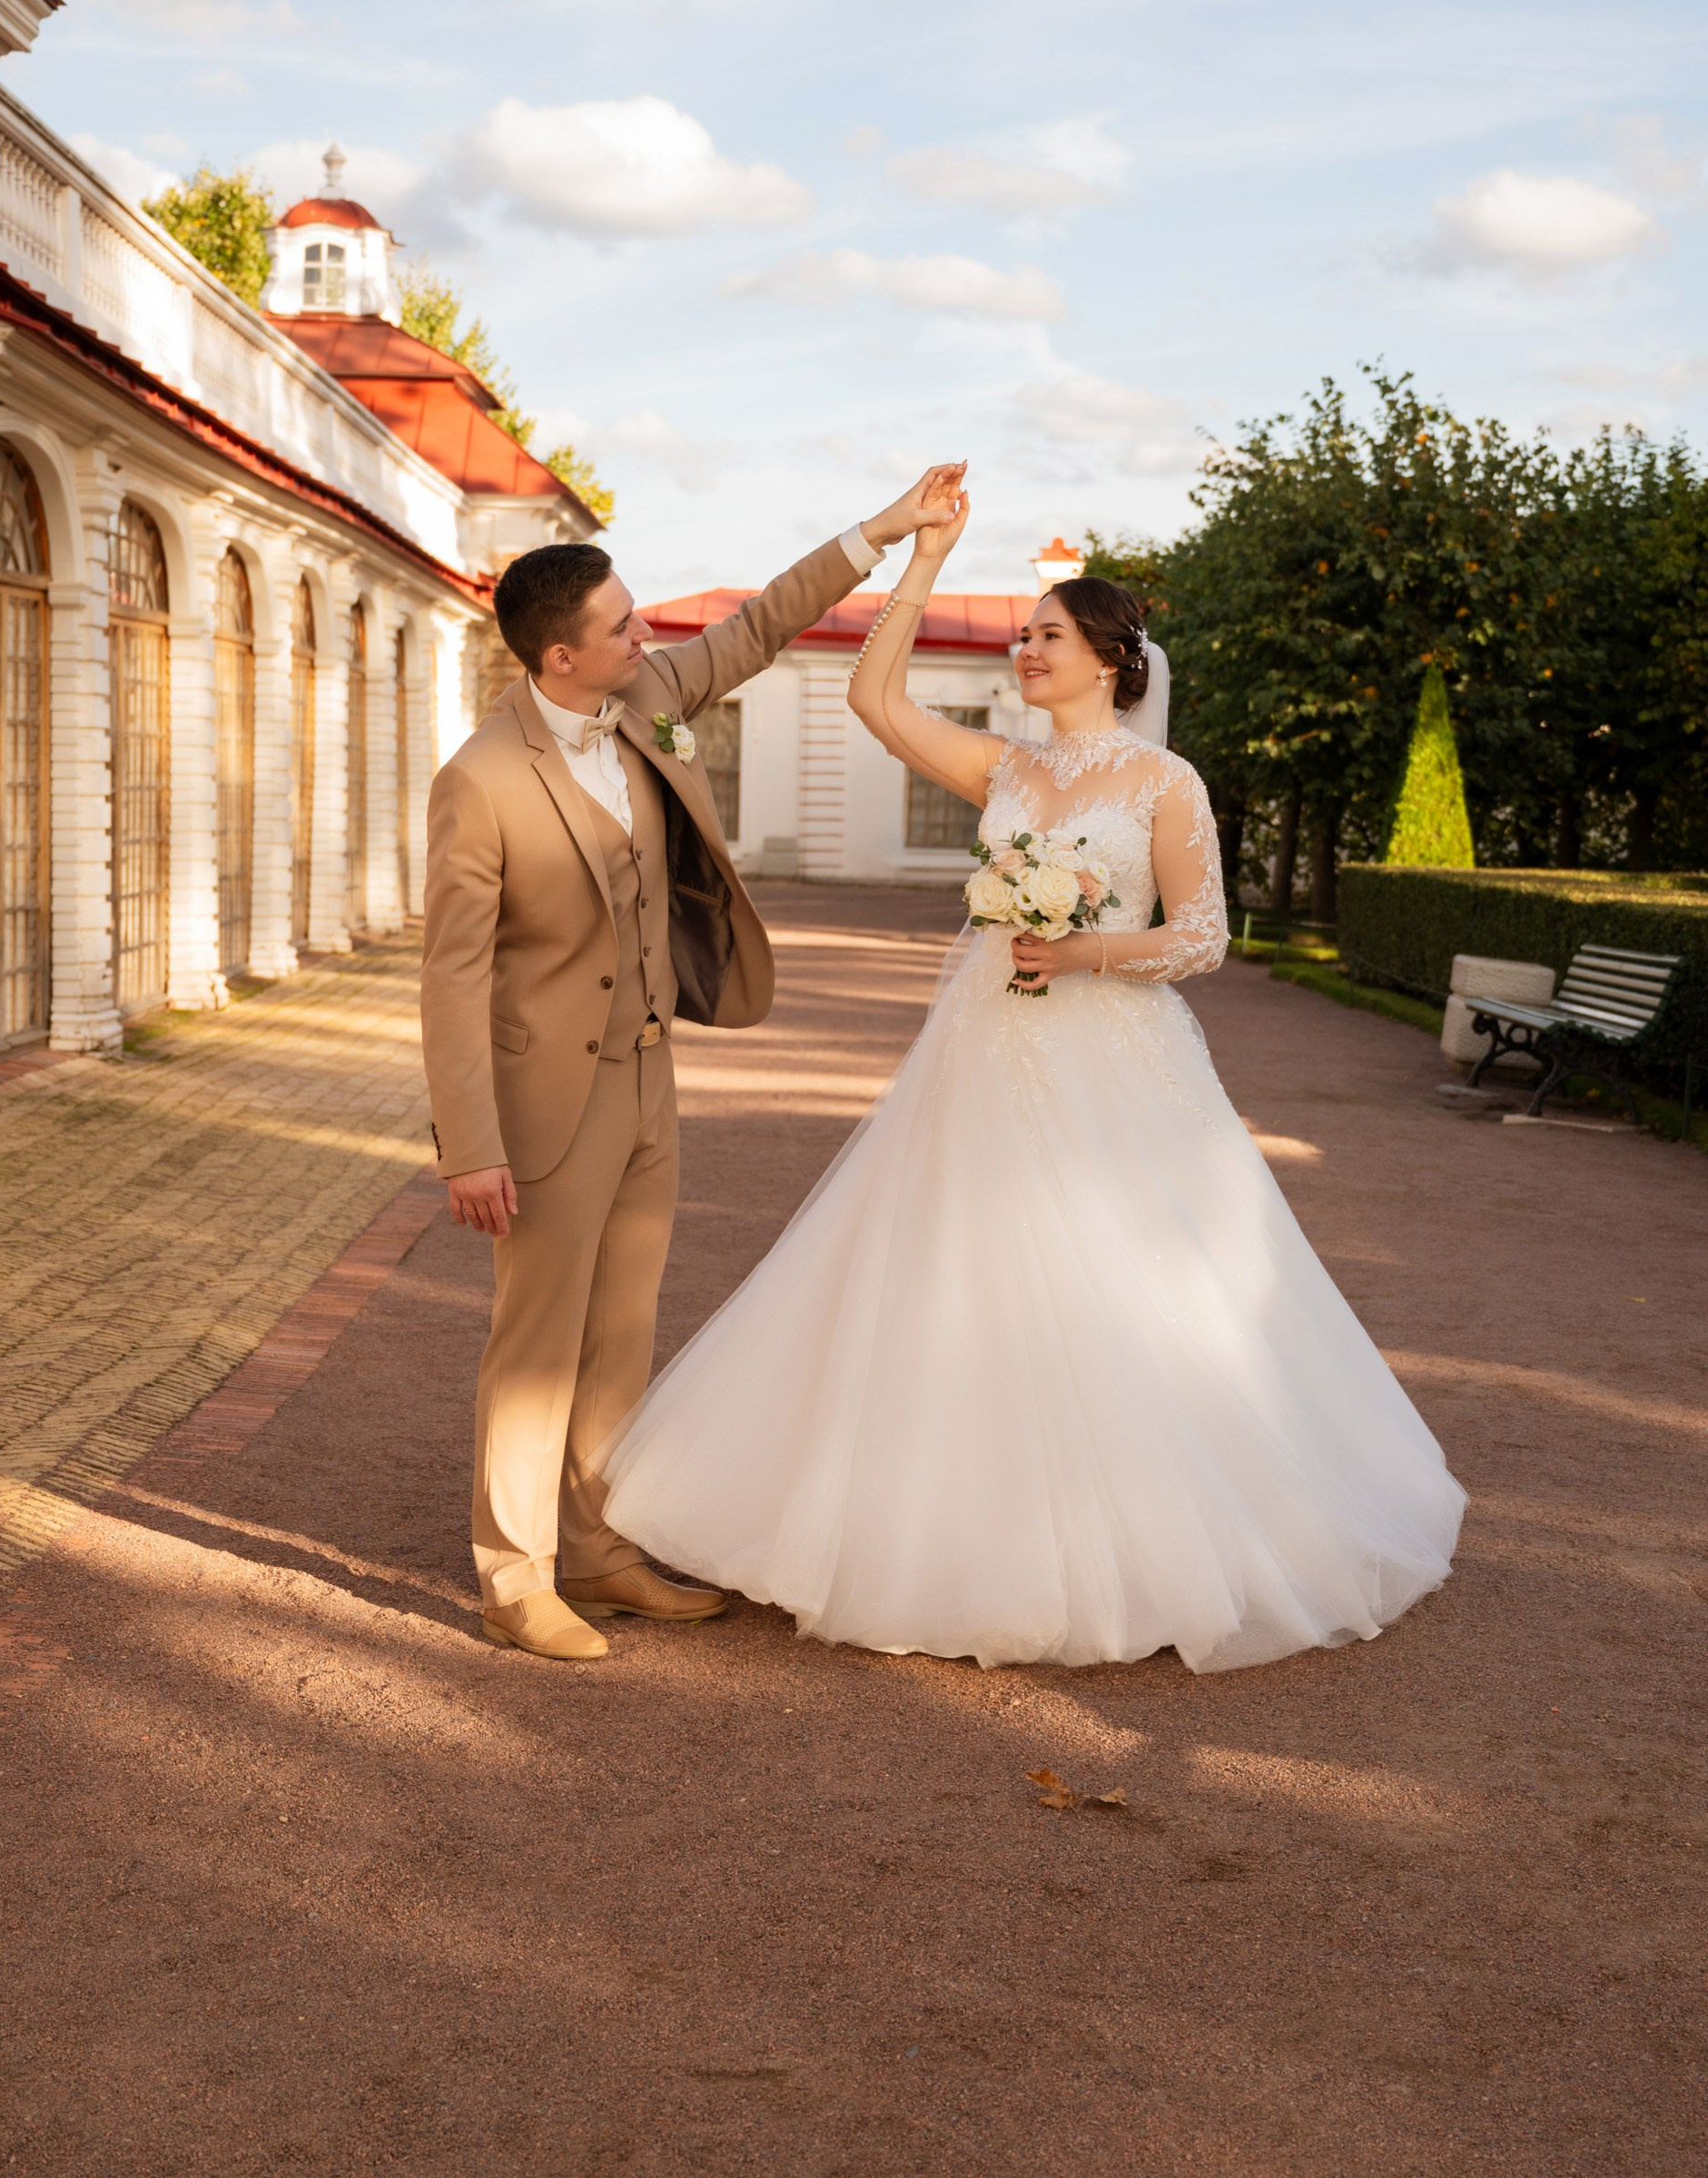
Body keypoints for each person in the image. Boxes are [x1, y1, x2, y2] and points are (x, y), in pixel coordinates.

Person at [600, 483, 1466, 1673]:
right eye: (1025, 632)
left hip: (1112, 1060)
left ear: (1112, 658)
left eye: (1048, 633)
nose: (1027, 646)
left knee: (1130, 1285)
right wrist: (923, 561)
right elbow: (872, 697)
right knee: (948, 1270)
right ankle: (924, 1525)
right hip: (983, 1052)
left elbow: (1203, 937)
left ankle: (1142, 1540)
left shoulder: (1168, 788)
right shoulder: (1003, 768)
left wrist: (1085, 948)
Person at [420, 466, 965, 1661]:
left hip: (650, 1077)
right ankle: (514, 1580)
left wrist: (886, 527)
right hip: (544, 1100)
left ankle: (602, 1547)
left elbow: (764, 622)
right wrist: (471, 1148)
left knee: (623, 1330)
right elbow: (452, 974)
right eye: (619, 625)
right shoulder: (481, 781)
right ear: (559, 659)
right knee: (536, 1346)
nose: (643, 630)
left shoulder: (651, 694)